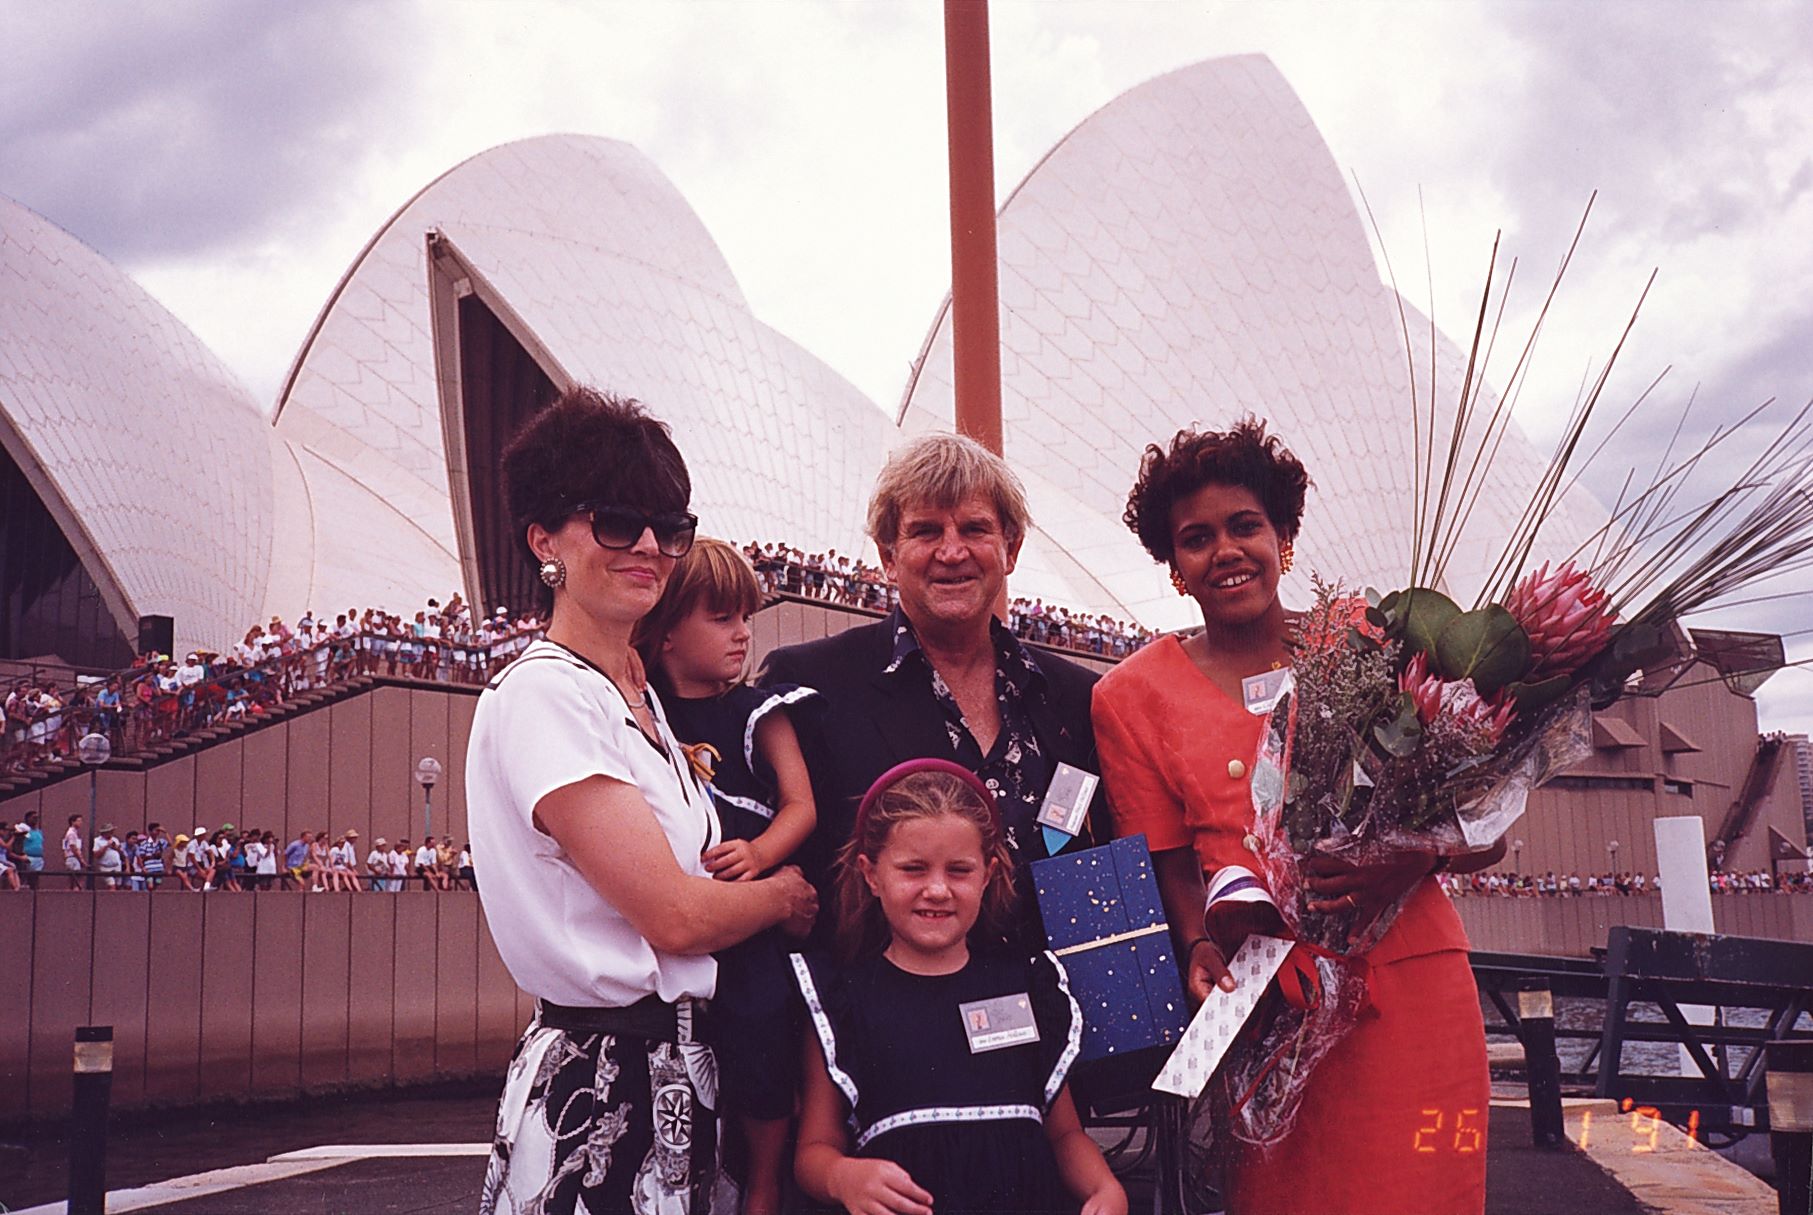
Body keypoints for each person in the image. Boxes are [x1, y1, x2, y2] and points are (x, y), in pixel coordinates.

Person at [1091, 420, 1497, 1214]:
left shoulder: (1366, 638)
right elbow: (1167, 860)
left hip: (1411, 980)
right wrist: (1200, 944)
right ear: (1174, 567)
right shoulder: (1129, 694)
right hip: (1269, 1000)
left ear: (1283, 533)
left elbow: (1482, 815)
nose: (1226, 550)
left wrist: (1410, 857)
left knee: (1430, 1190)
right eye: (1196, 538)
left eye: (1245, 525)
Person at [468, 386, 816, 1214]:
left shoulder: (638, 698)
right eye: (618, 522)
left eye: (671, 527)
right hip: (601, 1079)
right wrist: (782, 895)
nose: (651, 547)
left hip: (678, 1069)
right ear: (543, 539)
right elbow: (676, 917)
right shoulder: (544, 695)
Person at [760, 433, 1105, 948]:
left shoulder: (1079, 698)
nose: (951, 551)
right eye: (925, 531)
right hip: (883, 1018)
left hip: (1056, 1014)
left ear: (1010, 550)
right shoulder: (809, 690)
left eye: (974, 529)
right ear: (889, 557)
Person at [793, 759, 1125, 1215]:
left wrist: (1105, 1189)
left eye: (959, 871)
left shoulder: (1028, 985)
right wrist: (842, 1176)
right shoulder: (843, 1001)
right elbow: (813, 1148)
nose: (937, 889)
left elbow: (1064, 1133)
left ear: (987, 875)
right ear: (871, 875)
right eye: (913, 869)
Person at [638, 536, 819, 1215]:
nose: (743, 634)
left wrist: (763, 854)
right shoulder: (637, 713)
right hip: (674, 920)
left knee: (763, 1031)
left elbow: (800, 804)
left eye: (746, 616)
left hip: (748, 919)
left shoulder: (758, 712)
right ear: (665, 632)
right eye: (722, 618)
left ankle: (767, 1175)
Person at [63, 814, 86, 890]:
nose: (81, 823)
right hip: (73, 858)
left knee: (72, 879)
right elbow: (73, 847)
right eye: (79, 821)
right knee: (77, 878)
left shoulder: (74, 833)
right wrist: (81, 860)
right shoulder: (71, 833)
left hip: (72, 858)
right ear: (73, 822)